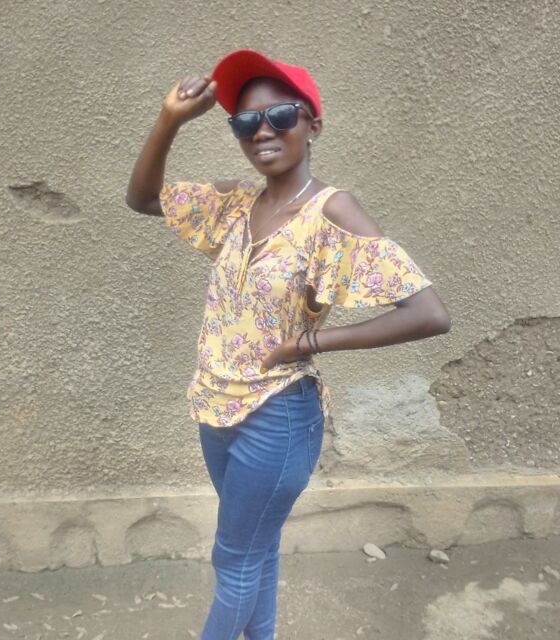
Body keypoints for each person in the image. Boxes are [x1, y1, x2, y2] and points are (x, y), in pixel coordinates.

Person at [126, 48, 451, 640]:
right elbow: (144, 198)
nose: (262, 132)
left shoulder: (333, 211)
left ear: (312, 124)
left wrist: (311, 341)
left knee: (234, 559)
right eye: (245, 122)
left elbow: (428, 313)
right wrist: (169, 119)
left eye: (279, 115)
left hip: (277, 416)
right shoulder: (235, 205)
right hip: (215, 408)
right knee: (256, 547)